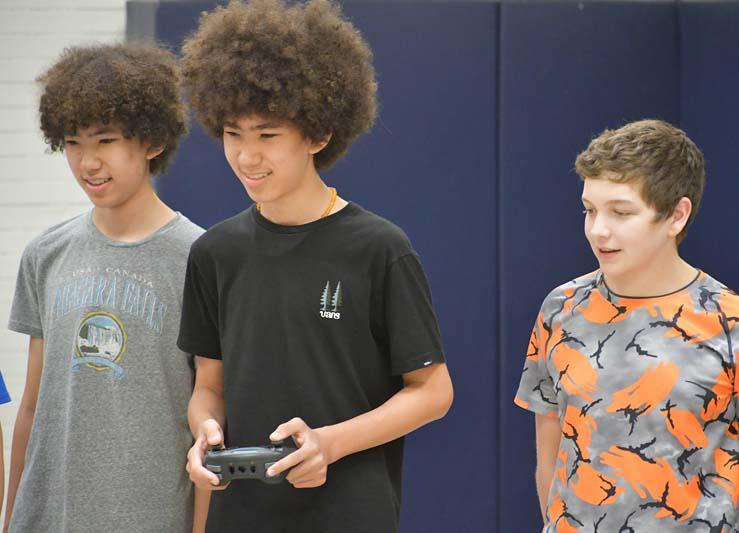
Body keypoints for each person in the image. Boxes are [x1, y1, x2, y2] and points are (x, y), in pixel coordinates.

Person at [177, 1, 454, 531]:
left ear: (318, 134)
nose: (246, 156)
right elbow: (209, 387)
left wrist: (330, 443)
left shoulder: (379, 248)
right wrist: (205, 434)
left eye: (267, 135)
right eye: (233, 134)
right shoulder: (215, 253)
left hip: (350, 514)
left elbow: (434, 391)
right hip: (243, 515)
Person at [5, 43, 204, 532]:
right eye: (73, 143)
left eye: (106, 141)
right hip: (47, 519)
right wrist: (11, 519)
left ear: (152, 141)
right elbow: (32, 406)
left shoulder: (200, 260)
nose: (87, 163)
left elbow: (212, 421)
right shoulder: (45, 254)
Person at [515, 119, 737, 532]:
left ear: (676, 216)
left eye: (621, 213)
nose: (598, 230)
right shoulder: (561, 308)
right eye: (589, 210)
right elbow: (550, 456)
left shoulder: (729, 323)